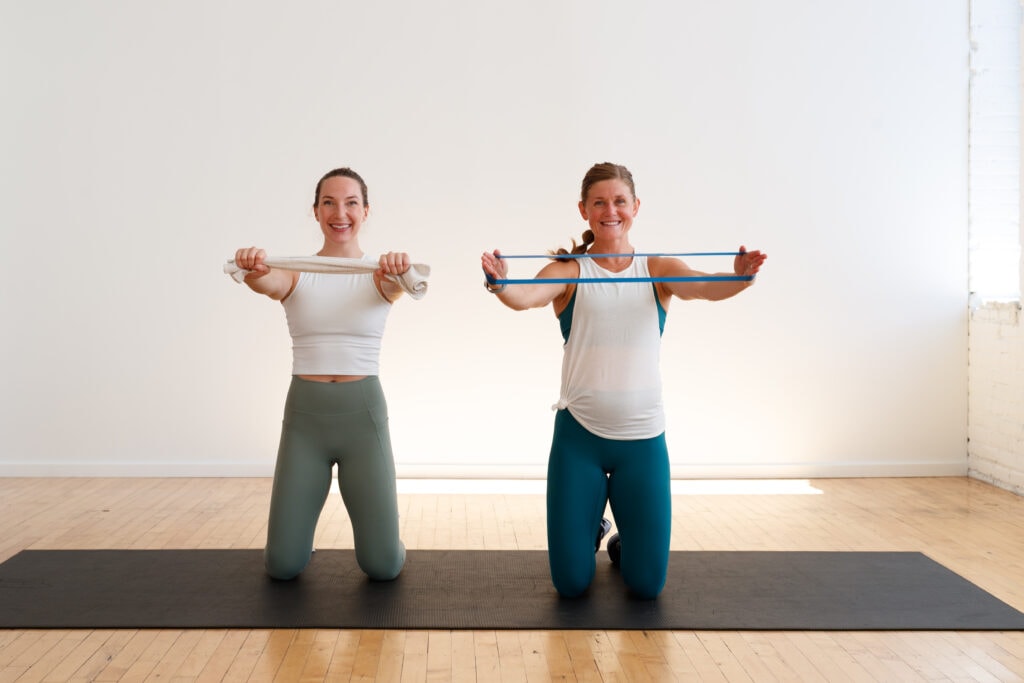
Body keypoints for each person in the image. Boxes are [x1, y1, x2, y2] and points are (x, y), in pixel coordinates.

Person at [480, 162, 766, 599]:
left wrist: (740, 276)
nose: (609, 211)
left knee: (647, 585)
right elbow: (524, 297)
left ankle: (622, 538)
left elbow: (704, 286)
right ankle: (591, 525)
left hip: (643, 440)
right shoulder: (570, 271)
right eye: (599, 202)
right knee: (572, 584)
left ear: (635, 207)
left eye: (619, 201)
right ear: (583, 210)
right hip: (580, 439)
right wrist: (500, 284)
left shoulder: (657, 268)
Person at [233, 167, 415, 582]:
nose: (340, 213)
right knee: (282, 566)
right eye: (329, 202)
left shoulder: (380, 274)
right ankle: (298, 540)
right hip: (305, 421)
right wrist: (252, 268)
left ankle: (389, 539)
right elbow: (267, 282)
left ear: (366, 211)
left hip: (362, 417)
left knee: (383, 566)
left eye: (351, 202)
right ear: (315, 211)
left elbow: (398, 287)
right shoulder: (296, 270)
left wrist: (400, 270)